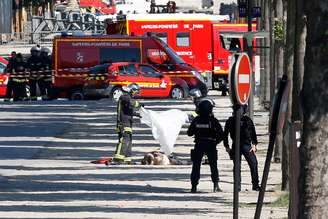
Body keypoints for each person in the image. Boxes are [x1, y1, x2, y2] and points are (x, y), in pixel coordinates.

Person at [187, 99, 224, 193]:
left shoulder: (196, 120)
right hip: (211, 145)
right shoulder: (213, 120)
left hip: (199, 144)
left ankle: (194, 187)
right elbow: (221, 134)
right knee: (213, 165)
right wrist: (215, 142)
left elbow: (189, 133)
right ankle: (216, 185)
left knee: (196, 166)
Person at [223, 104, 261, 191]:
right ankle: (237, 186)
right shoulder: (230, 120)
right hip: (236, 145)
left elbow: (253, 133)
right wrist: (227, 146)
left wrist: (254, 144)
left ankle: (255, 185)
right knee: (237, 166)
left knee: (253, 164)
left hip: (247, 145)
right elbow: (225, 135)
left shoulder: (247, 120)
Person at [113, 83, 143, 163]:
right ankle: (118, 158)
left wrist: (137, 114)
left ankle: (127, 159)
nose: (136, 94)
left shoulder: (127, 98)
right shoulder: (125, 96)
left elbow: (128, 111)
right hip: (123, 123)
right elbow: (131, 103)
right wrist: (139, 104)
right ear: (132, 90)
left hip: (128, 123)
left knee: (129, 141)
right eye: (136, 92)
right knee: (124, 140)